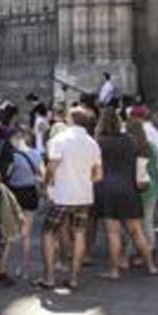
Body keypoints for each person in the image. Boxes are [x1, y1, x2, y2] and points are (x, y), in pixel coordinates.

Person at [36, 106, 102, 291]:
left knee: (48, 232)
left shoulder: (59, 140)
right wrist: (83, 180)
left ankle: (49, 277)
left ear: (71, 119)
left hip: (62, 194)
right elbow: (98, 175)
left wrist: (46, 184)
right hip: (83, 194)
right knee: (79, 233)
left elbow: (52, 167)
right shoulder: (92, 143)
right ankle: (74, 277)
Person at [93, 109, 158, 279]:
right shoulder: (130, 141)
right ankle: (151, 266)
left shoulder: (99, 142)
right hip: (129, 189)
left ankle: (114, 271)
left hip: (107, 190)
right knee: (137, 231)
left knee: (113, 233)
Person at [2, 128, 42, 278]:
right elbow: (41, 174)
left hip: (14, 193)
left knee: (8, 233)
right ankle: (25, 268)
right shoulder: (36, 154)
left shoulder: (12, 156)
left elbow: (7, 174)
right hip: (30, 192)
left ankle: (3, 267)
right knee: (27, 233)